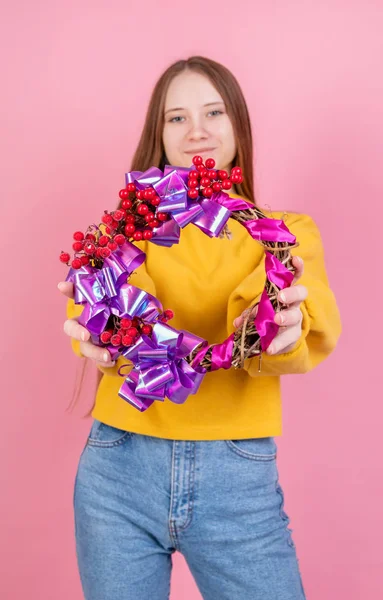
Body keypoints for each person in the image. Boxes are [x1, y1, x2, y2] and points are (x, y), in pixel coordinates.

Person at [58, 56, 341, 600]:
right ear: (158, 134)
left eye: (213, 112)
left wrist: (282, 329)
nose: (198, 132)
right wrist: (96, 334)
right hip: (118, 466)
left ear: (238, 123)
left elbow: (299, 334)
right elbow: (114, 340)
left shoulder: (285, 236)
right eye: (177, 118)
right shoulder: (122, 233)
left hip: (236, 476)